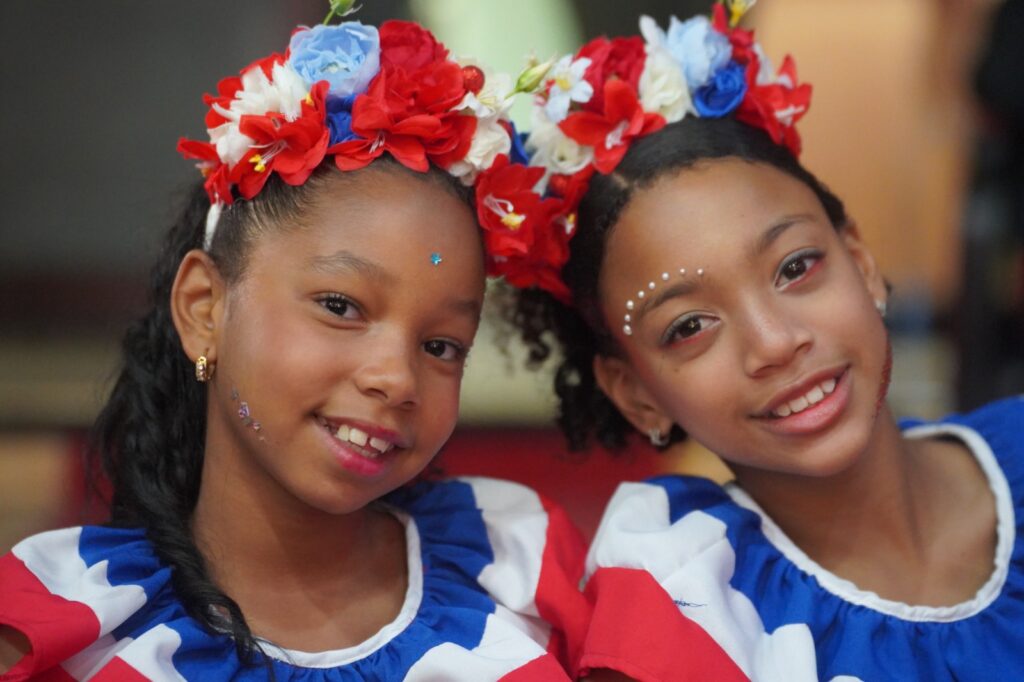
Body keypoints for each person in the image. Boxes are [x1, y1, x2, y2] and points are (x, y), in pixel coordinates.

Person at [0, 7, 588, 680]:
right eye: (341, 307)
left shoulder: (518, 568)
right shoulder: (64, 626)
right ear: (204, 309)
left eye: (442, 346)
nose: (396, 379)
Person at [505, 3, 1024, 680]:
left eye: (795, 267)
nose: (774, 344)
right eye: (689, 328)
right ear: (636, 393)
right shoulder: (686, 603)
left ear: (862, 263)